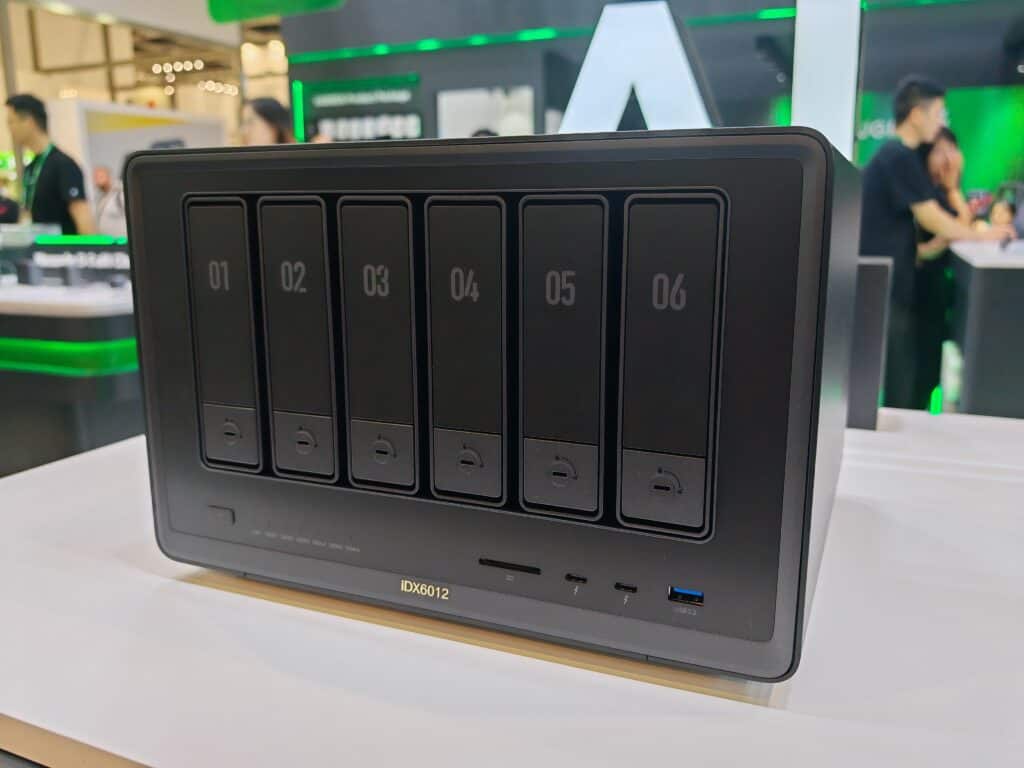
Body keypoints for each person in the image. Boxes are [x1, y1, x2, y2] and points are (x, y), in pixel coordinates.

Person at [859, 76, 1015, 409]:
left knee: (904, 376)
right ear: (917, 114)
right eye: (938, 113)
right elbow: (931, 217)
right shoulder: (896, 155)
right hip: (886, 287)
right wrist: (983, 235)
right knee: (898, 379)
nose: (940, 122)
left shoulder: (898, 157)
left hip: (892, 283)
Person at [913, 128, 969, 410]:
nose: (947, 158)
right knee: (920, 370)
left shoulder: (942, 192)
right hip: (920, 291)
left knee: (932, 368)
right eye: (940, 150)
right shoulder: (927, 193)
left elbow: (962, 225)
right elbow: (960, 227)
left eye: (951, 149)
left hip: (937, 292)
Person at [5, 93, 94, 234]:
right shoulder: (30, 169)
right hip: (39, 246)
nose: (9, 128)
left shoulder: (63, 165)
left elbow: (83, 218)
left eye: (11, 121)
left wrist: (90, 247)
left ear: (28, 121)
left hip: (64, 247)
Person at [93, 165, 127, 237]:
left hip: (121, 240)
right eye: (95, 178)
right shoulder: (102, 197)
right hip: (107, 241)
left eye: (100, 176)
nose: (97, 181)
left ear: (108, 176)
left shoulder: (121, 192)